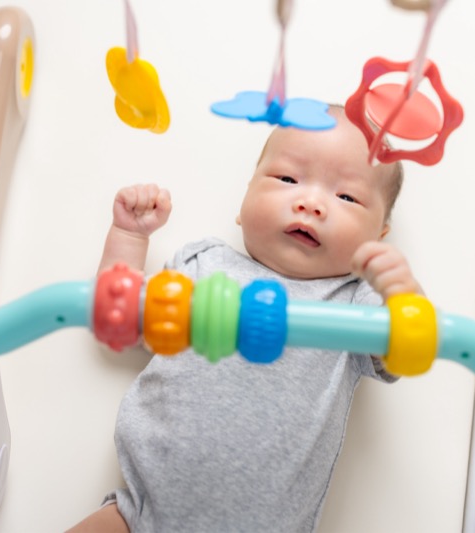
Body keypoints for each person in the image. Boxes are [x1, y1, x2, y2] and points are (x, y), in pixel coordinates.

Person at [69, 105, 422, 532]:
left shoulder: (355, 304)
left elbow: (401, 349)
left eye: (346, 197)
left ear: (378, 234)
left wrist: (400, 293)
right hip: (140, 514)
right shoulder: (203, 266)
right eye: (288, 179)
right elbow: (118, 320)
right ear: (245, 199)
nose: (310, 203)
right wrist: (128, 236)